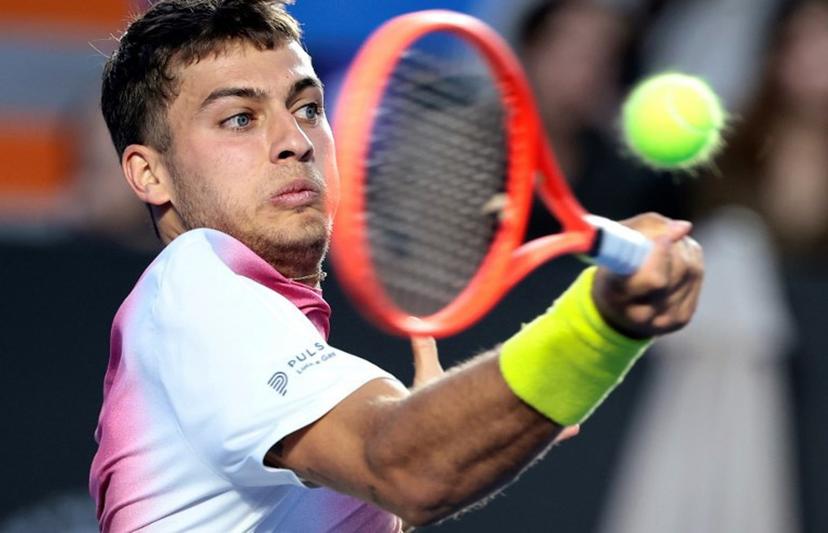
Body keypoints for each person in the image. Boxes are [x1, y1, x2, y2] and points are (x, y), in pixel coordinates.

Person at [89, 1, 704, 531]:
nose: (296, 141)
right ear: (149, 173)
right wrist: (601, 323)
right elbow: (406, 468)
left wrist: (442, 430)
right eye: (240, 119)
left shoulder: (233, 331)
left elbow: (407, 467)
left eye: (307, 108)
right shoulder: (198, 286)